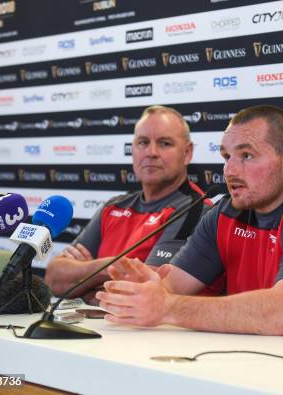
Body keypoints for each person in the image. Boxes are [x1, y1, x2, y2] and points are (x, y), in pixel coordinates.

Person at [96, 105, 283, 348]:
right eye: (226, 156)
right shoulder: (226, 211)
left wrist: (166, 307)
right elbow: (169, 285)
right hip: (266, 367)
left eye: (246, 156)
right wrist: (144, 289)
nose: (230, 170)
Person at [45, 105, 211, 304]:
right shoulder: (113, 207)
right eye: (143, 142)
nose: (151, 152)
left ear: (187, 153)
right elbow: (53, 279)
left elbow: (149, 292)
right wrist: (108, 268)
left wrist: (85, 284)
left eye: (165, 143)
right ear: (132, 149)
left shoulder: (197, 209)